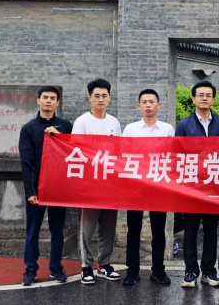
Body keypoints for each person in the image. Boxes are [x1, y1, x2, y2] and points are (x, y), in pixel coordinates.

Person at [176, 80, 219, 288]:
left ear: (213, 99)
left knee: (210, 230)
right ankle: (190, 271)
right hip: (192, 186)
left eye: (208, 95)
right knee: (190, 230)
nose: (204, 98)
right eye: (200, 95)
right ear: (193, 99)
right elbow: (177, 155)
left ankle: (209, 270)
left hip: (214, 186)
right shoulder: (184, 125)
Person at [19, 86, 73, 286]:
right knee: (32, 231)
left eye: (52, 98)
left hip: (59, 187)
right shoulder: (29, 128)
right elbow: (26, 162)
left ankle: (56, 267)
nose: (48, 101)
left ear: (58, 102)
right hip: (37, 188)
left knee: (57, 230)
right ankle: (30, 269)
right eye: (45, 98)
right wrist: (30, 191)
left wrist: (60, 137)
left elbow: (74, 153)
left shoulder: (65, 126)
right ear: (38, 100)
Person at [122, 88, 175, 287]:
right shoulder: (131, 129)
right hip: (135, 186)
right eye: (144, 102)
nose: (148, 105)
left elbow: (172, 156)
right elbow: (124, 155)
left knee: (158, 231)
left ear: (158, 105)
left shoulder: (167, 129)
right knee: (133, 231)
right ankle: (132, 271)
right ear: (139, 106)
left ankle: (158, 270)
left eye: (151, 102)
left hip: (158, 185)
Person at [73, 78, 123, 285]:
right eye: (97, 96)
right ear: (90, 98)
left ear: (109, 98)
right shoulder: (82, 122)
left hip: (110, 183)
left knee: (108, 227)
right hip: (89, 184)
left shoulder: (114, 123)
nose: (101, 99)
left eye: (104, 96)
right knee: (87, 228)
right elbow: (76, 152)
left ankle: (104, 264)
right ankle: (86, 267)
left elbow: (119, 152)